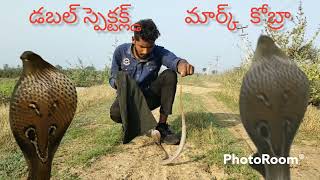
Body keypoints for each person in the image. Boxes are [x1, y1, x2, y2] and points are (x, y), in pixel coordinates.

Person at [109, 19, 194, 145]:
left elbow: (173, 60)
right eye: (142, 46)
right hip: (129, 99)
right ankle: (132, 124)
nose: (145, 51)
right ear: (133, 40)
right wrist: (120, 83)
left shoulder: (158, 52)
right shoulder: (120, 52)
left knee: (170, 75)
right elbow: (113, 77)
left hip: (149, 97)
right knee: (115, 113)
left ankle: (162, 127)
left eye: (150, 47)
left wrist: (182, 64)